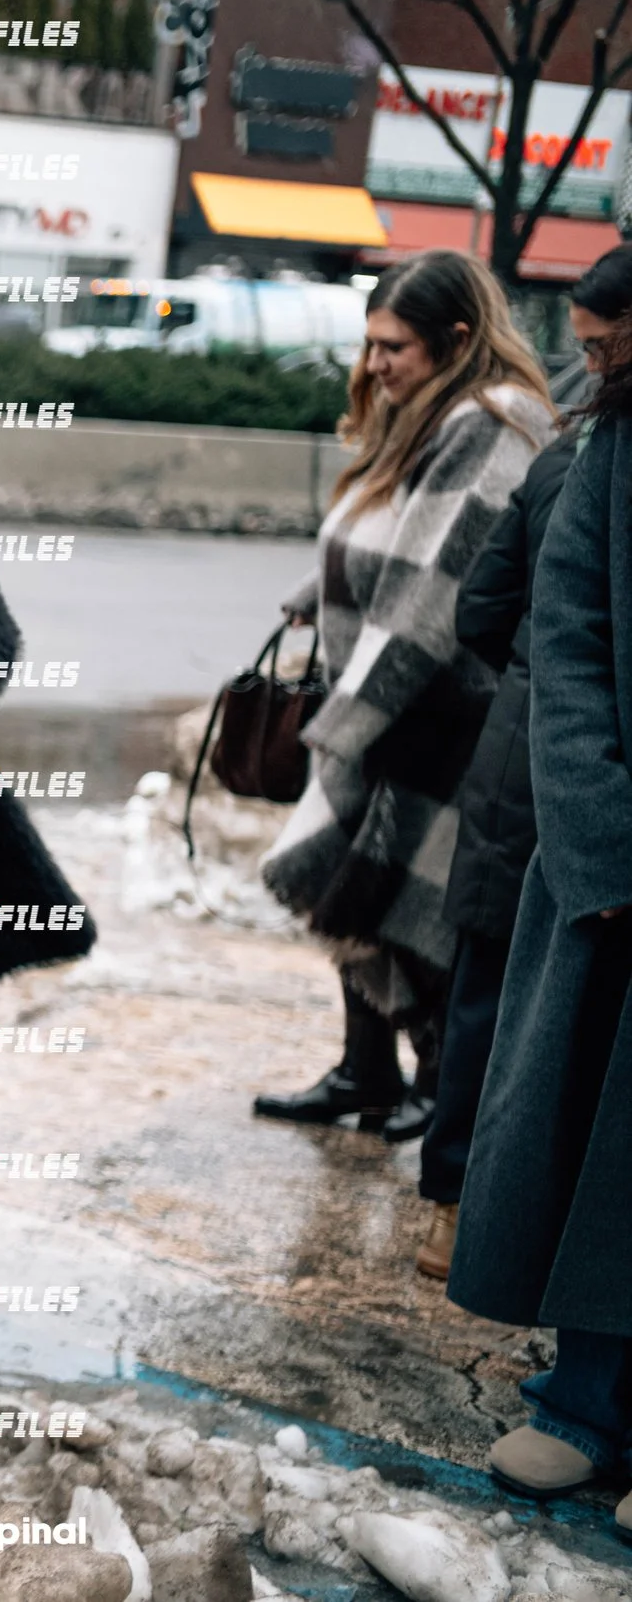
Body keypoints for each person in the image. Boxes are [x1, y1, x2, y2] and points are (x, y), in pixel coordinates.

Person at [254, 250, 555, 1141]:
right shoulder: (428, 411)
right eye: (370, 343)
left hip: (430, 710)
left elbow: (436, 584)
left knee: (402, 899)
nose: (374, 363)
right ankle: (368, 1069)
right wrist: (319, 592)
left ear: (457, 340)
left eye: (395, 346)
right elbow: (387, 532)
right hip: (390, 700)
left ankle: (433, 1080)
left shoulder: (492, 422)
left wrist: (348, 724)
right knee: (359, 885)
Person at [444, 282, 632, 1529]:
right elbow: (564, 639)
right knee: (588, 1135)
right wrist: (603, 839)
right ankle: (589, 1397)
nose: (591, 348)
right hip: (610, 866)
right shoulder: (611, 444)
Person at [416, 244, 632, 1278]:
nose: (591, 369)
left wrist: (531, 682)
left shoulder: (560, 459)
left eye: (599, 348)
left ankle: (453, 1202)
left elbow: (479, 610)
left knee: (488, 991)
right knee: (544, 1009)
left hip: (518, 752)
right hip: (566, 763)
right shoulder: (582, 457)